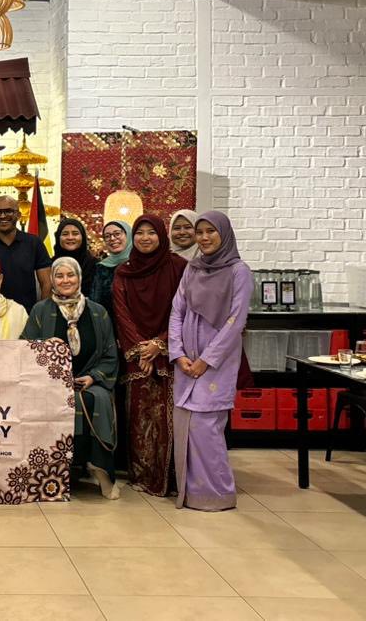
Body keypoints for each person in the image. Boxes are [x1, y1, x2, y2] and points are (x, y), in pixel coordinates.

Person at [170, 211, 253, 511]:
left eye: (211, 232)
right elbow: (177, 310)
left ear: (224, 234)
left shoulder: (239, 271)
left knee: (207, 428)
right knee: (186, 427)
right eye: (200, 232)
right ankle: (191, 494)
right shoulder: (193, 268)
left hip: (216, 363)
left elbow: (235, 321)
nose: (204, 238)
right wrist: (177, 353)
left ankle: (218, 495)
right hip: (186, 362)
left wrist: (206, 360)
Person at [22, 257, 120, 499]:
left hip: (88, 382)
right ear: (52, 280)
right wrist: (47, 356)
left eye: (70, 275)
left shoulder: (98, 312)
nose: (65, 280)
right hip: (48, 384)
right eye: (59, 276)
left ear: (79, 278)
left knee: (95, 399)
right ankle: (52, 471)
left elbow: (110, 354)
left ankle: (99, 470)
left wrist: (93, 377)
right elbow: (24, 349)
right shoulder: (40, 310)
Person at [112, 214, 187, 497]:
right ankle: (143, 476)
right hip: (137, 358)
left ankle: (171, 478)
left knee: (169, 419)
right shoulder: (124, 271)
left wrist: (160, 344)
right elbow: (121, 312)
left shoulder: (179, 267)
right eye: (140, 233)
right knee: (140, 417)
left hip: (170, 353)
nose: (145, 238)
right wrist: (142, 349)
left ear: (161, 235)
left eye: (151, 232)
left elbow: (183, 311)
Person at [89, 220, 132, 319]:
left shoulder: (139, 264)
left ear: (128, 235)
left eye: (117, 234)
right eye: (107, 236)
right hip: (107, 323)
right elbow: (95, 301)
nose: (112, 239)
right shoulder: (101, 267)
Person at [53, 218, 98, 297]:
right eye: (65, 234)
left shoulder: (95, 265)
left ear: (83, 237)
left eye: (75, 233)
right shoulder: (50, 265)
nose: (70, 237)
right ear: (58, 237)